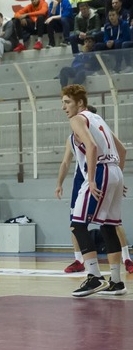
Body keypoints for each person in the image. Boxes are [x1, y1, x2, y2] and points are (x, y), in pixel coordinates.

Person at [61, 85, 127, 297]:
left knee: (77, 225)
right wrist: (117, 175)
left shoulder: (77, 119)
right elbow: (122, 150)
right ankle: (116, 282)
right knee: (108, 226)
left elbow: (91, 146)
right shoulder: (98, 119)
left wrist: (90, 179)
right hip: (114, 171)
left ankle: (94, 276)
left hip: (100, 171)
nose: (64, 107)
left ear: (80, 103)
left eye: (67, 102)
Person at [55, 106, 133, 275]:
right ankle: (80, 260)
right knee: (93, 224)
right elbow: (66, 162)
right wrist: (59, 183)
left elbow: (105, 149)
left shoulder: (97, 131)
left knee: (92, 225)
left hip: (98, 175)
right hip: (85, 178)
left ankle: (120, 261)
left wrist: (99, 178)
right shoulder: (73, 137)